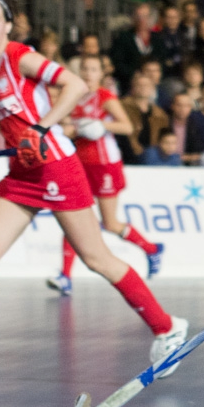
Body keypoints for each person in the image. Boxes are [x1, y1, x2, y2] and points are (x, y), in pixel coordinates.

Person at [0, 0, 187, 386]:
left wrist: (41, 127)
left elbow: (74, 85)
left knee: (96, 258)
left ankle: (167, 328)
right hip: (21, 174)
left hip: (56, 167)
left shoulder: (19, 57)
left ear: (7, 25)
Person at [47, 55, 164, 295]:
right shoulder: (74, 96)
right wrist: (69, 129)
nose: (88, 73)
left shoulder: (105, 97)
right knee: (72, 217)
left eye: (93, 69)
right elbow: (70, 126)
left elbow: (127, 126)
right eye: (84, 69)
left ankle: (151, 249)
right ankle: (65, 276)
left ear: (101, 74)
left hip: (105, 164)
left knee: (110, 223)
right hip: (80, 163)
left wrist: (102, 125)